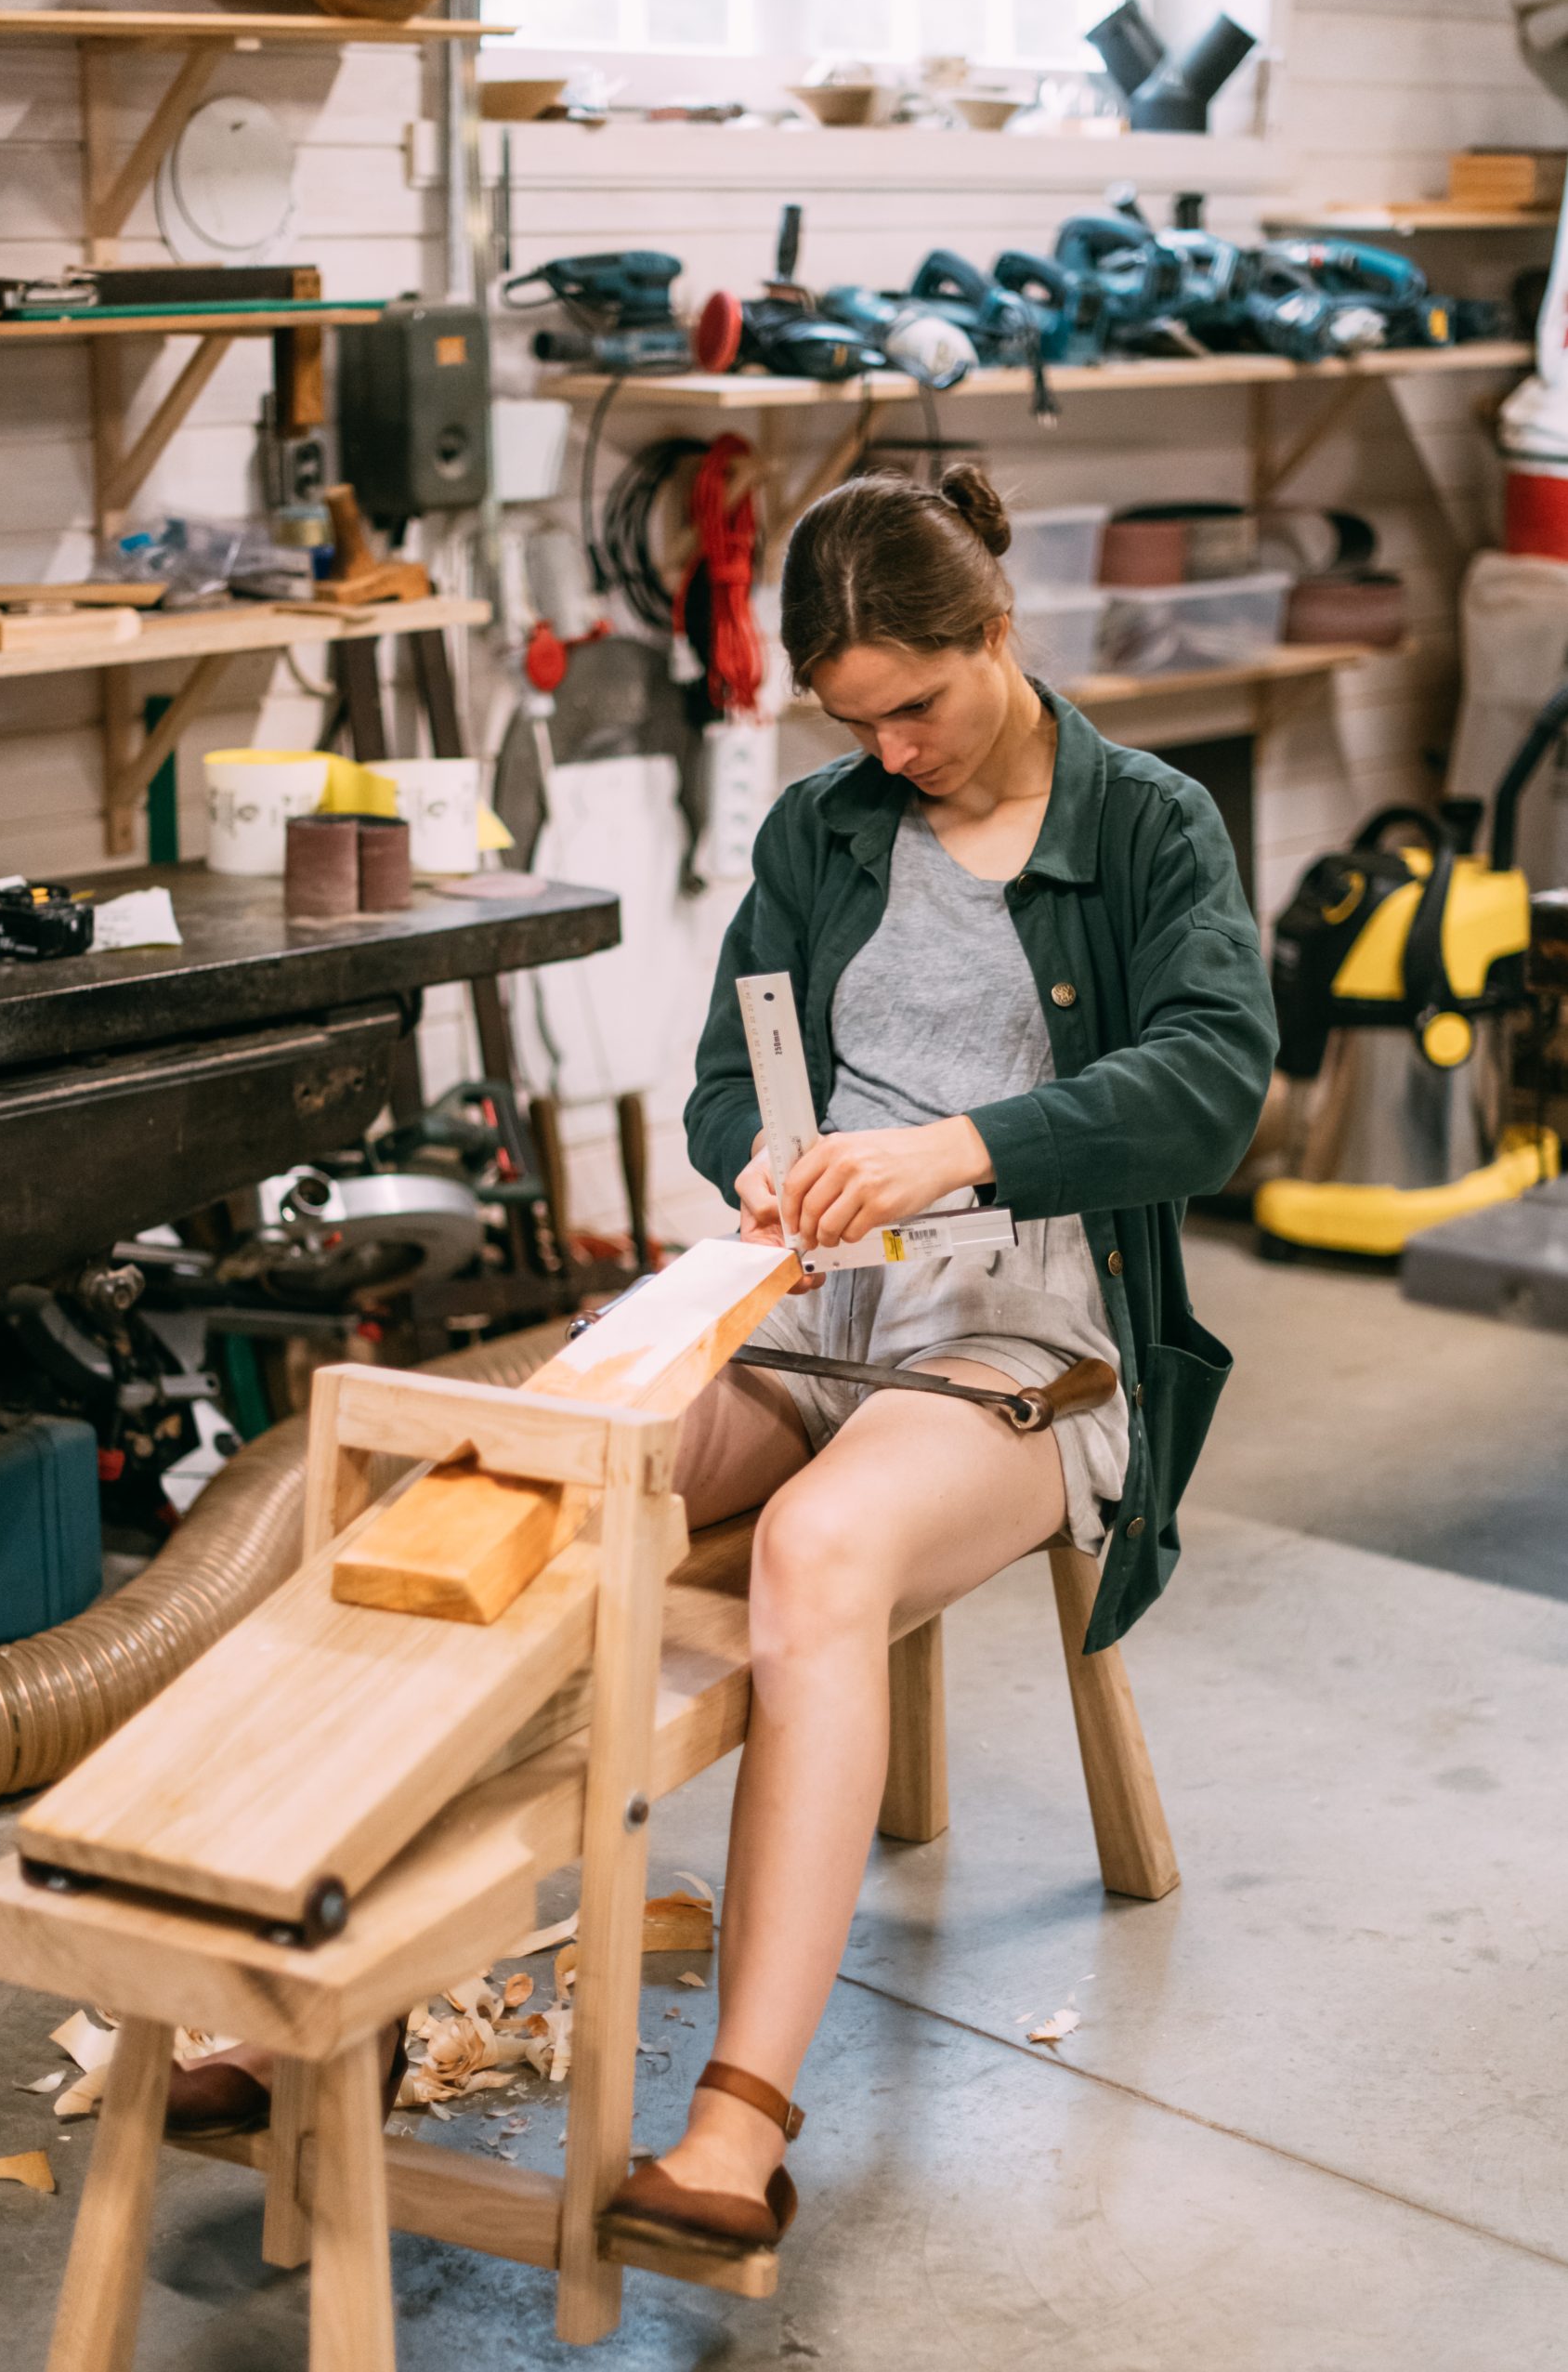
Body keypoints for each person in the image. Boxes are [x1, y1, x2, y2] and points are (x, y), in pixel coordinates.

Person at [608, 462, 1277, 2248]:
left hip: (1025, 1320)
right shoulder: (822, 831)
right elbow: (728, 1074)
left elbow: (1215, 1087)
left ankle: (737, 2131)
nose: (893, 750)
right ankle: (301, 1991)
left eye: (921, 703)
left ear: (1000, 630)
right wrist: (757, 1150)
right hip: (812, 1288)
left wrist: (960, 1141)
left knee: (822, 1550)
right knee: (562, 1465)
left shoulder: (1148, 825)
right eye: (854, 720)